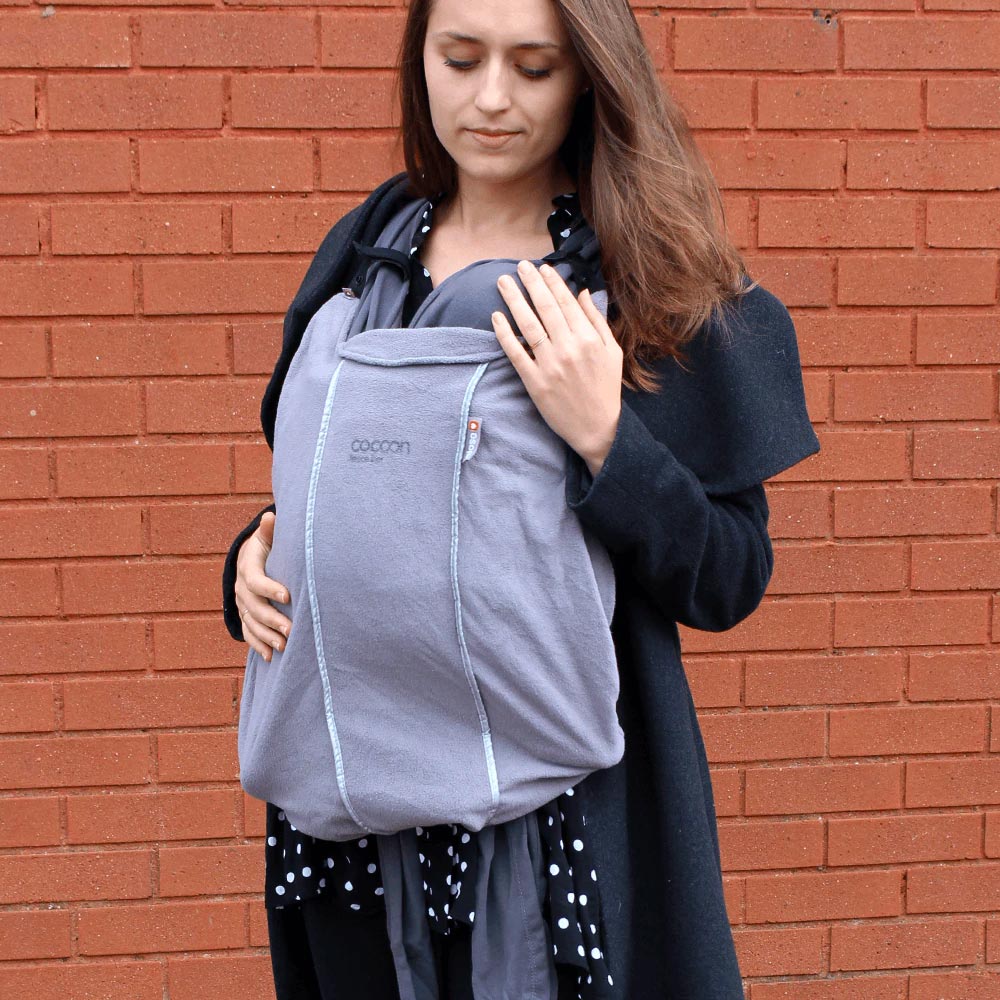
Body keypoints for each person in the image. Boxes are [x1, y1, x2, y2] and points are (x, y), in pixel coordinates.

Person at [221, 0, 820, 997]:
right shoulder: (369, 250)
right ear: (421, 62)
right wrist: (252, 555)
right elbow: (325, 476)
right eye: (460, 59)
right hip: (354, 817)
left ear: (589, 75)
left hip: (555, 833)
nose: (489, 98)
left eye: (532, 68)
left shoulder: (641, 282)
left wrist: (604, 437)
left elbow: (728, 574)